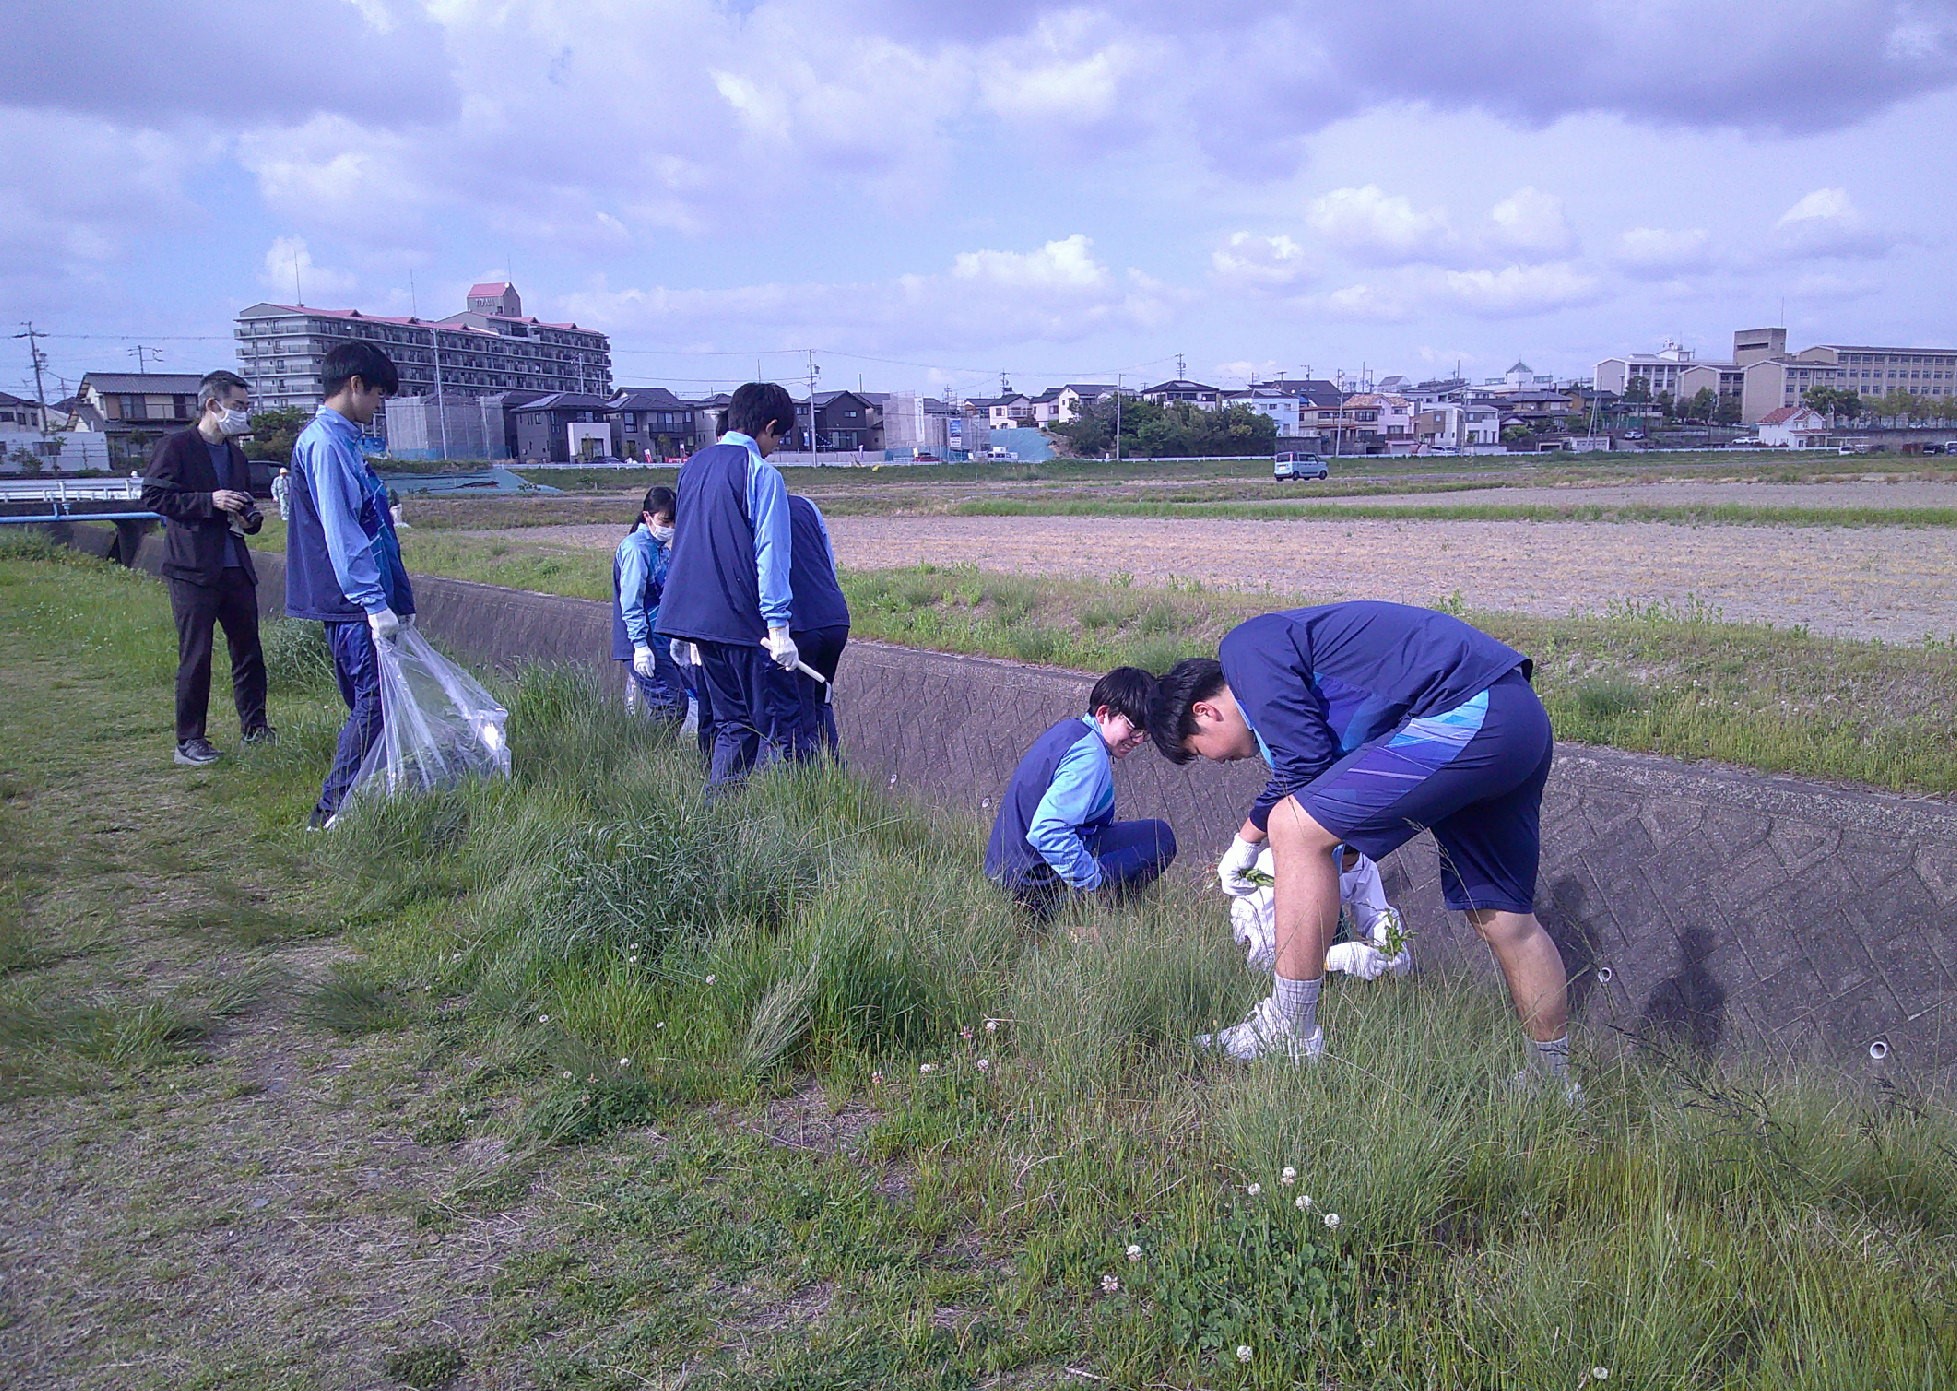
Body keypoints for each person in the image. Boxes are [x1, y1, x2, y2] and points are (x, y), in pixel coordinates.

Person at [1148, 601, 1572, 1096]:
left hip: (1467, 708)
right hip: (1518, 717)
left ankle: (1289, 1029)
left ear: (1205, 711)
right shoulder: (1307, 683)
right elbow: (1333, 769)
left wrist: (1247, 839)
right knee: (1503, 917)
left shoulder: (1245, 649)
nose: (1215, 762)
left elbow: (1305, 764)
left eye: (1199, 752)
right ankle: (1552, 1083)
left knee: (1293, 826)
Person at [285, 341, 414, 830]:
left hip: (360, 598)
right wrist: (372, 601)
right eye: (377, 395)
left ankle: (361, 795)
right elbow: (342, 531)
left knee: (372, 702)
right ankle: (331, 810)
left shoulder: (343, 442)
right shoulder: (325, 444)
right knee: (373, 703)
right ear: (354, 385)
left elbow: (374, 527)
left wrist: (397, 596)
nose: (378, 406)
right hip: (350, 601)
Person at [655, 381, 801, 792]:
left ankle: (718, 816)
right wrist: (779, 627)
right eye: (778, 437)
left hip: (694, 619)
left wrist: (683, 627)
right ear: (769, 427)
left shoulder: (693, 467)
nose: (775, 447)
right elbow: (771, 553)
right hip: (741, 623)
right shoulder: (760, 473)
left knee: (729, 723)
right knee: (763, 724)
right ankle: (739, 811)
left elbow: (686, 542)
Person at [141, 368, 272, 766]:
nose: (242, 414)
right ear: (212, 405)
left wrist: (250, 519)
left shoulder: (235, 454)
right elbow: (154, 496)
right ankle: (189, 740)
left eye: (246, 407)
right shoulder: (176, 447)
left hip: (235, 566)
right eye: (237, 406)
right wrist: (207, 502)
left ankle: (255, 728)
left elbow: (244, 503)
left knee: (249, 651)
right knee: (196, 655)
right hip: (193, 569)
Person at [985, 667, 1178, 918]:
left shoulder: (1069, 731)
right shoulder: (1089, 758)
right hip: (1031, 881)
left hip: (1004, 869)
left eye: (1145, 733)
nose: (1139, 740)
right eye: (1134, 728)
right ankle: (1080, 908)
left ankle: (1098, 905)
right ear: (1104, 713)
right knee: (1158, 838)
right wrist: (1093, 881)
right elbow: (1048, 830)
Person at [1229, 844, 1411, 980]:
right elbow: (1260, 964)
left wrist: (1390, 939)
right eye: (1345, 866)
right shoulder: (1270, 878)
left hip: (1323, 923)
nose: (1350, 870)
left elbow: (1375, 910)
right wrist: (1331, 959)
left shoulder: (1356, 861)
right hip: (1276, 959)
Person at [784, 493, 849, 757]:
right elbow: (829, 563)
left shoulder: (754, 512)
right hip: (834, 617)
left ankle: (810, 787)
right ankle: (834, 775)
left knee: (800, 713)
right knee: (822, 700)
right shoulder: (806, 505)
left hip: (800, 624)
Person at [612, 484, 683, 720]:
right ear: (647, 517)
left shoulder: (660, 549)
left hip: (659, 640)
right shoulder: (636, 549)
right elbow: (631, 603)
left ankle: (655, 753)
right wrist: (640, 646)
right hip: (642, 642)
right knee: (670, 705)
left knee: (676, 702)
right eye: (665, 522)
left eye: (674, 523)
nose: (670, 528)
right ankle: (654, 754)